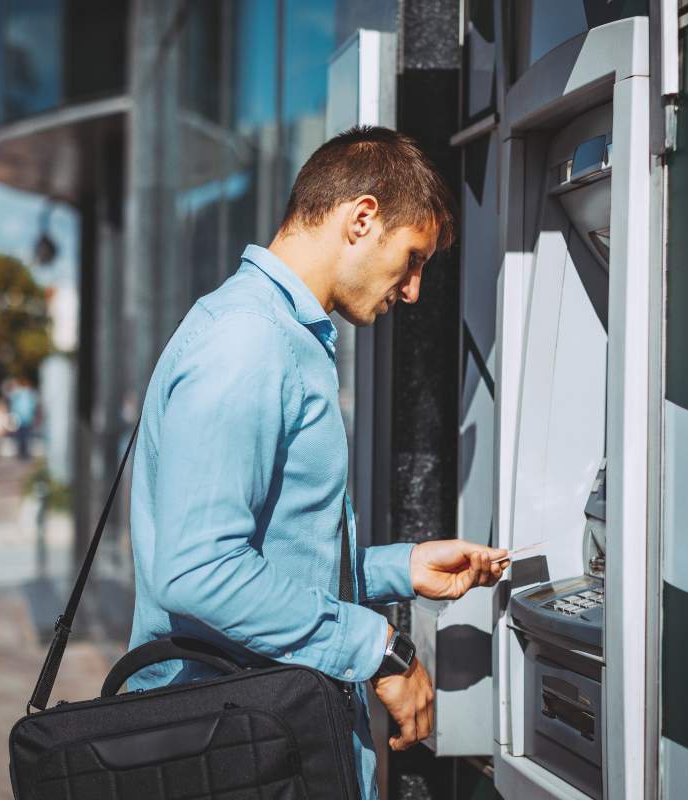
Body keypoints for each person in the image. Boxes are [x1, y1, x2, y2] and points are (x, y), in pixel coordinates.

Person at [127, 126, 507, 798]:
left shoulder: (274, 335)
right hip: (239, 755)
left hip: (261, 744)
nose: (413, 290)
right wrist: (379, 648)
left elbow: (270, 561)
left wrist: (399, 568)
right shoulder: (248, 342)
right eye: (413, 258)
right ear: (362, 219)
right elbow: (199, 572)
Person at [7, 377, 39, 461]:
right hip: (21, 417)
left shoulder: (28, 393)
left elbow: (34, 406)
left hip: (25, 417)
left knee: (24, 436)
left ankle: (23, 452)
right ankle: (22, 452)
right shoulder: (23, 393)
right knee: (22, 436)